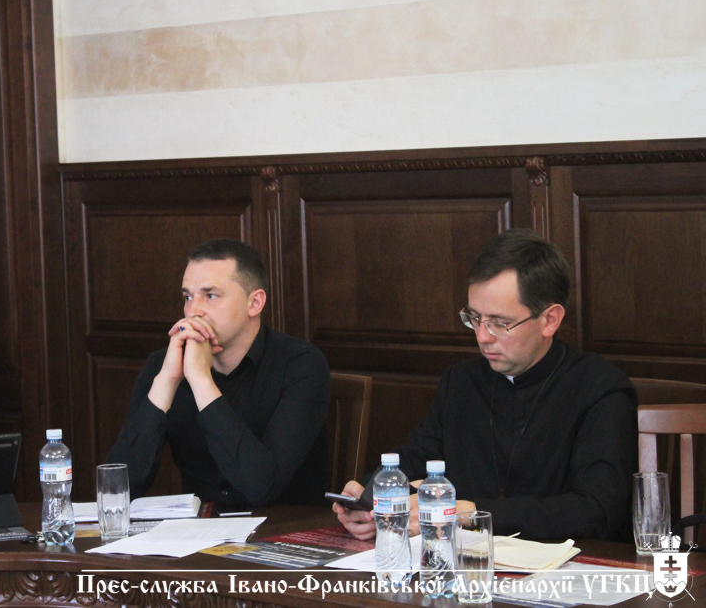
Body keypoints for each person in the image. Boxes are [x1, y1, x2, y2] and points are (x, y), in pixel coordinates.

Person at [335, 229, 637, 541]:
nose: (482, 336)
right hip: (465, 558)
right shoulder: (462, 381)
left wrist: (470, 514)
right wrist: (370, 495)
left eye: (500, 323)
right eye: (475, 318)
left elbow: (597, 510)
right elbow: (416, 457)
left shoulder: (600, 388)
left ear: (550, 320)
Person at [107, 238, 331, 506]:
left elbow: (262, 487)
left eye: (210, 295)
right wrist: (166, 382)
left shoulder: (301, 364)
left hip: (283, 525)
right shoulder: (164, 366)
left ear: (254, 303)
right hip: (200, 527)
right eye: (188, 297)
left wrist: (201, 380)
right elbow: (117, 491)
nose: (193, 311)